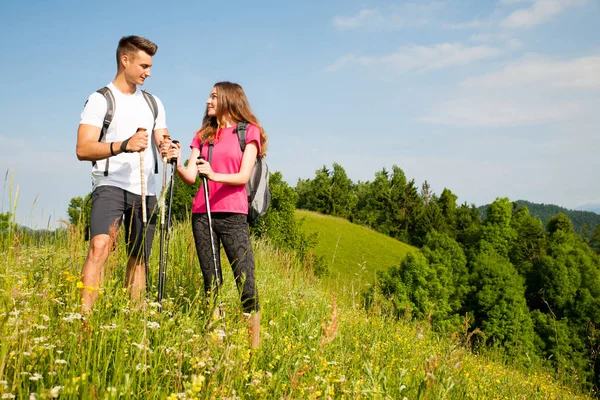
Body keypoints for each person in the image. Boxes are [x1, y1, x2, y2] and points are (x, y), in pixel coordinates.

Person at [76, 35, 171, 313]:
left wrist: (169, 148)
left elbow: (162, 140)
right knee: (100, 246)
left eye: (150, 66)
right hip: (110, 184)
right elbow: (83, 148)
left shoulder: (154, 103)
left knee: (139, 257)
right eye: (143, 65)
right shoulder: (100, 99)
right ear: (124, 60)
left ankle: (135, 320)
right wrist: (123, 145)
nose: (148, 72)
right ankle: (84, 320)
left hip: (145, 189)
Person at [169, 82, 267, 348]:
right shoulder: (201, 135)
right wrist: (177, 161)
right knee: (212, 282)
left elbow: (243, 176)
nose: (207, 101)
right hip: (202, 213)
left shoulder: (248, 132)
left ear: (228, 99)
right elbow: (190, 176)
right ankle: (216, 344)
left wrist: (213, 174)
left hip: (233, 214)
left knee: (245, 282)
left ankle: (253, 349)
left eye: (213, 96)